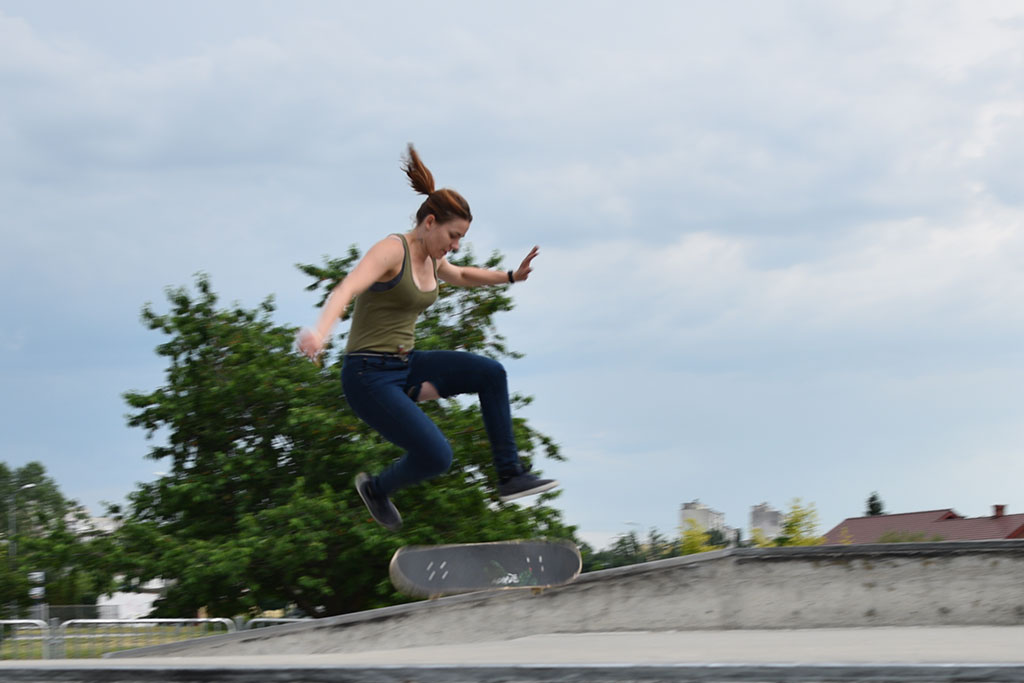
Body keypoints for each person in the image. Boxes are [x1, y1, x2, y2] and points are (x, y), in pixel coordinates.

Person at [297, 145, 558, 530]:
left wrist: (509, 277)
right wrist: (320, 332)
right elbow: (347, 289)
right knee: (437, 456)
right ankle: (377, 489)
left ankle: (510, 475)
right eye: (452, 236)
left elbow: (463, 275)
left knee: (491, 373)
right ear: (430, 222)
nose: (453, 246)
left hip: (406, 367)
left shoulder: (434, 257)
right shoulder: (391, 251)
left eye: (460, 240)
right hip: (367, 375)